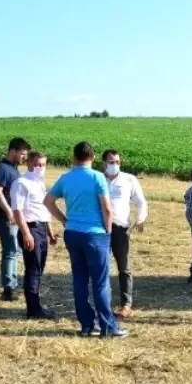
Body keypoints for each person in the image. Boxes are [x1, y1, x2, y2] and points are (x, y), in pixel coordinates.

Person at [44, 141, 128, 339]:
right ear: (94, 157)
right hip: (95, 234)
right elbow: (107, 209)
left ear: (74, 157)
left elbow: (48, 201)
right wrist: (108, 231)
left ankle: (87, 325)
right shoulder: (98, 177)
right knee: (100, 282)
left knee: (79, 280)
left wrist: (65, 220)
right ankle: (108, 326)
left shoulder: (66, 178)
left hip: (73, 233)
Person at [10, 151, 57, 319]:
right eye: (37, 164)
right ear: (29, 163)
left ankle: (36, 305)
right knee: (33, 269)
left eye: (43, 165)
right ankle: (33, 309)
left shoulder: (40, 183)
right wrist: (26, 233)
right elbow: (18, 211)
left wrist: (49, 230)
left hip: (41, 228)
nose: (40, 168)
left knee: (39, 268)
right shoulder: (21, 183)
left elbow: (42, 209)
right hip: (30, 229)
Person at [102, 149, 147, 317]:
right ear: (104, 163)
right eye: (111, 162)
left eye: (118, 162)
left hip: (121, 229)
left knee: (124, 268)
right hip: (101, 229)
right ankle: (103, 303)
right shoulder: (98, 179)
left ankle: (126, 304)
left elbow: (141, 202)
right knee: (102, 267)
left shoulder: (129, 179)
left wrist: (141, 218)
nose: (115, 165)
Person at [0, 137, 31, 302]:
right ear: (13, 151)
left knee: (14, 252)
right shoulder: (2, 169)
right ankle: (9, 288)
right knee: (11, 252)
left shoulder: (14, 169)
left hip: (13, 219)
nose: (24, 157)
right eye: (22, 153)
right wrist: (9, 212)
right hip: (4, 219)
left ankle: (12, 284)